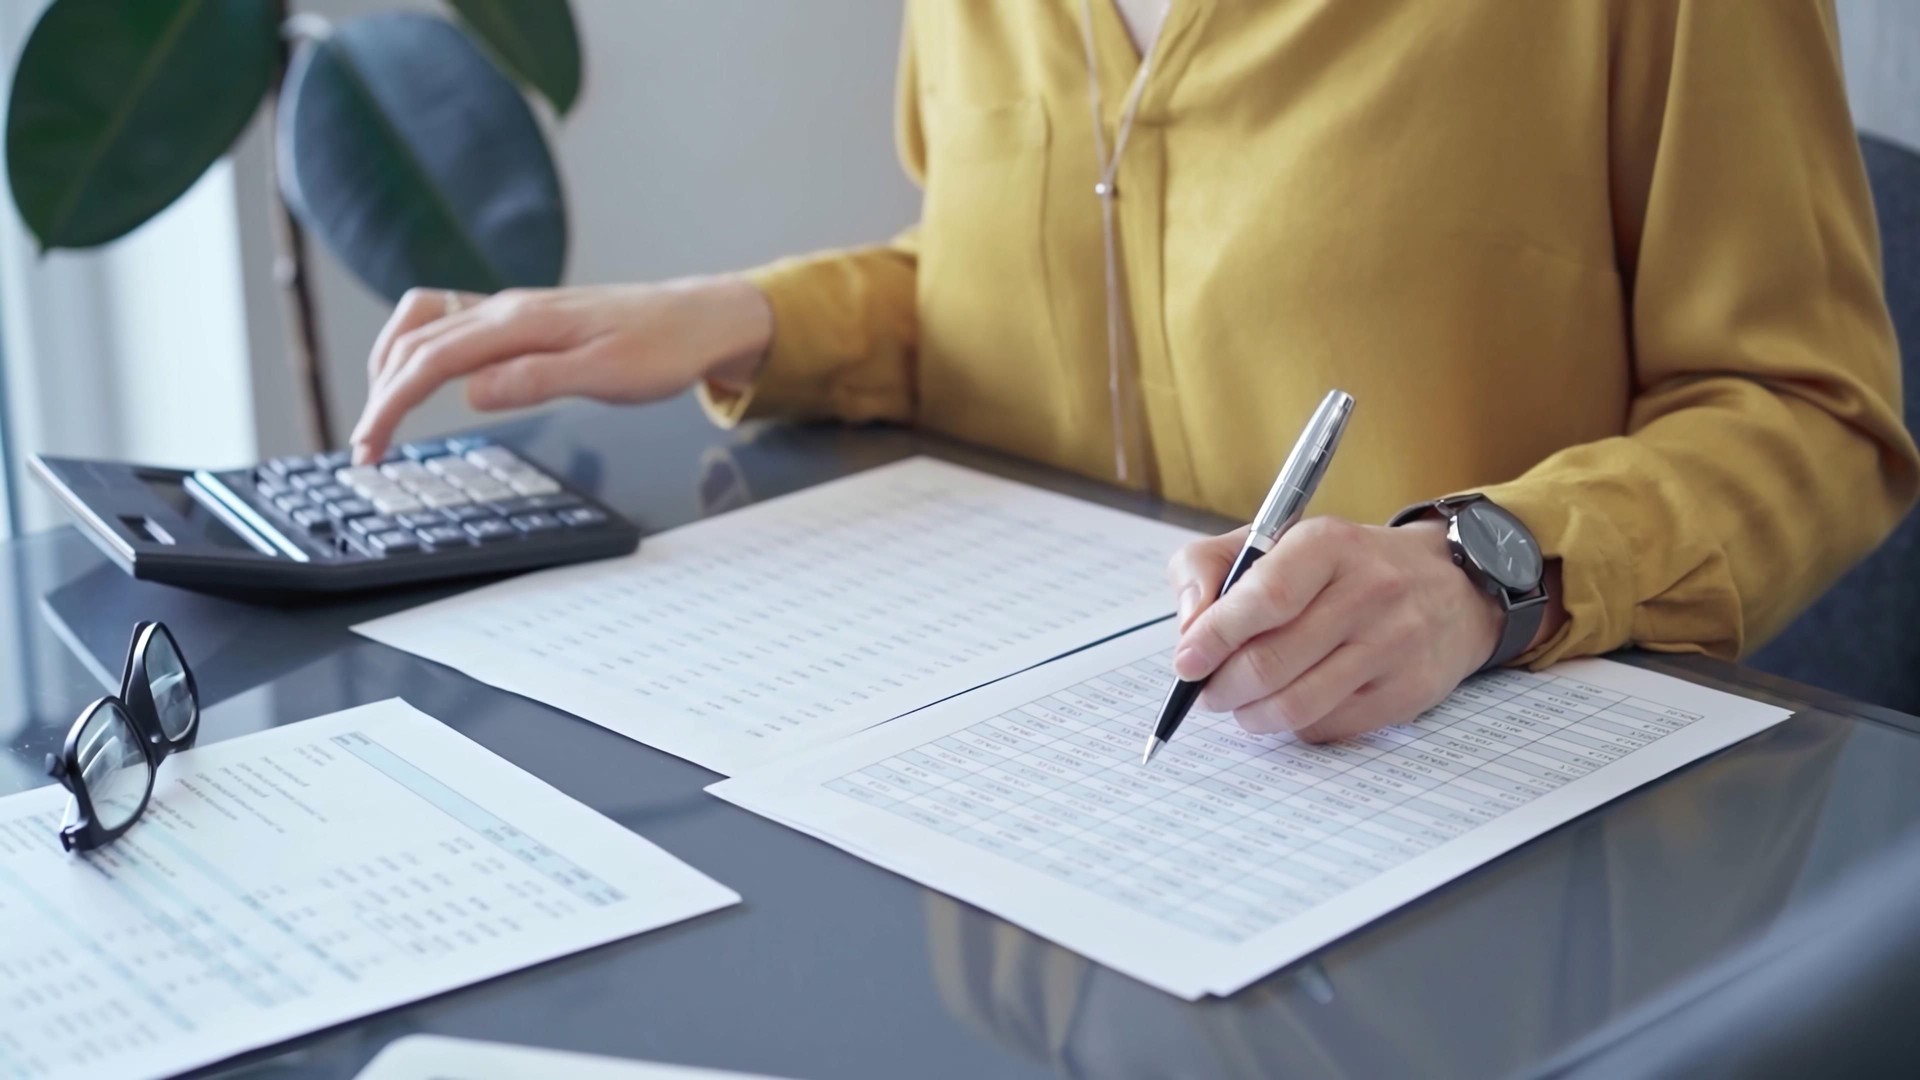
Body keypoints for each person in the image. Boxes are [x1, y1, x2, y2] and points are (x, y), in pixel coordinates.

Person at [349, 1, 1918, 744]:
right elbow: (1042, 304)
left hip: (1495, 833)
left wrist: (1487, 570)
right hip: (1047, 825)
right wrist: (756, 316)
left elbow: (1818, 416)